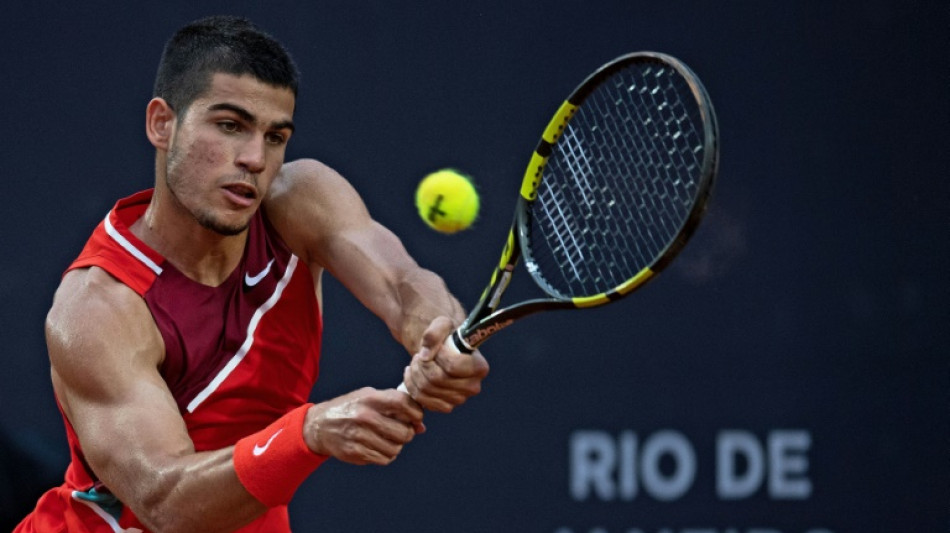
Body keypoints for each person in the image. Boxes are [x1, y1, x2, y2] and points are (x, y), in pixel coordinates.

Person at [16, 15, 489, 533]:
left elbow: (403, 285)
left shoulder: (300, 201)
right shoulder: (98, 306)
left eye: (275, 136)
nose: (254, 159)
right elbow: (165, 501)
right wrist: (307, 433)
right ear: (161, 124)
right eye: (229, 125)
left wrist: (435, 335)